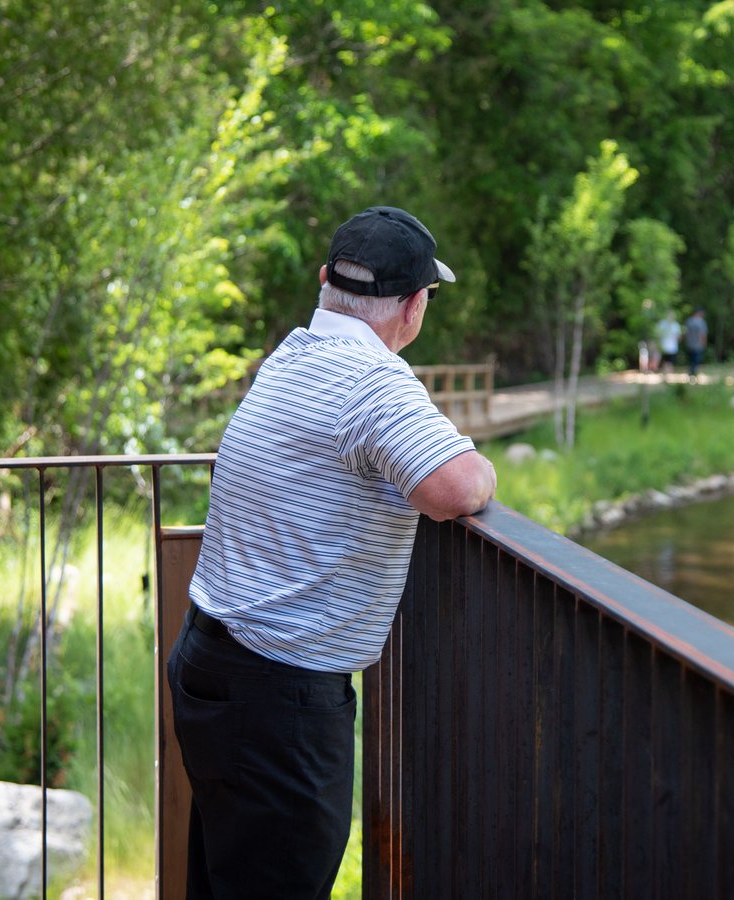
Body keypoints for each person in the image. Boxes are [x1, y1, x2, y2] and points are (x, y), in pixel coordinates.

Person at [167, 206, 497, 899]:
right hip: (277, 698)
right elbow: (458, 488)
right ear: (413, 307)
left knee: (226, 878)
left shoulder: (292, 355)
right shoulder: (372, 380)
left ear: (325, 281)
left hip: (211, 663)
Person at [684, 307, 708, 379]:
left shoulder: (689, 321)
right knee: (696, 360)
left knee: (691, 359)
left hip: (689, 344)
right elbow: (702, 334)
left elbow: (686, 332)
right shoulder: (701, 322)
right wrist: (703, 343)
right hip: (698, 344)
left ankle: (691, 373)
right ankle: (693, 374)